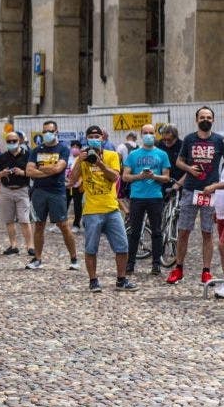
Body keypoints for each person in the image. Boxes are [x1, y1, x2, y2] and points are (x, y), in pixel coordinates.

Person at [69, 125, 135, 292]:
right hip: (91, 211)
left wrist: (99, 163)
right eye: (91, 136)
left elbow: (114, 177)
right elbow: (72, 180)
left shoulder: (112, 155)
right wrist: (80, 162)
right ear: (86, 139)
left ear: (102, 138)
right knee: (91, 248)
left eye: (97, 136)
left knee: (122, 246)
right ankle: (93, 281)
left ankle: (121, 280)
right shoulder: (81, 159)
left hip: (112, 209)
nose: (94, 139)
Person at [168, 106, 224, 285]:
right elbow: (179, 161)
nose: (205, 120)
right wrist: (189, 169)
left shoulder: (219, 140)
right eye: (202, 117)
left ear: (213, 120)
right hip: (190, 190)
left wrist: (217, 183)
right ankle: (178, 268)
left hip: (210, 191)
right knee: (184, 231)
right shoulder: (190, 139)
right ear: (196, 119)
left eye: (208, 117)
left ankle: (206, 271)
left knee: (207, 232)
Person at [25, 120, 79, 271]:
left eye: (50, 131)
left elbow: (58, 168)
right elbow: (29, 171)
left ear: (56, 132)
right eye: (45, 131)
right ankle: (37, 258)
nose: (47, 134)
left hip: (57, 192)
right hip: (39, 193)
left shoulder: (62, 149)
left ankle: (74, 258)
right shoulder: (36, 151)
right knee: (39, 225)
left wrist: (40, 169)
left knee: (63, 225)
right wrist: (48, 170)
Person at [122, 124, 171, 275]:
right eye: (145, 133)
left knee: (157, 232)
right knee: (134, 232)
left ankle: (156, 264)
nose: (148, 135)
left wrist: (154, 176)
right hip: (137, 198)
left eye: (151, 133)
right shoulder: (133, 154)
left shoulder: (162, 154)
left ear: (155, 134)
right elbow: (125, 176)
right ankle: (130, 263)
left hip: (155, 198)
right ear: (141, 134)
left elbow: (166, 177)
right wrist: (140, 177)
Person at [0, 131, 34, 256]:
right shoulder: (2, 157)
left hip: (22, 190)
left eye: (14, 141)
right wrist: (3, 173)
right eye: (9, 141)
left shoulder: (28, 155)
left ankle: (30, 246)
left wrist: (22, 172)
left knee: (24, 219)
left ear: (19, 141)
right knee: (8, 220)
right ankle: (13, 245)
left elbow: (34, 172)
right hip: (6, 190)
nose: (12, 143)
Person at [156, 123, 184, 193]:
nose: (166, 142)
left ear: (175, 137)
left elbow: (189, 169)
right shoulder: (160, 145)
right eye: (164, 139)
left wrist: (179, 184)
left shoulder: (183, 146)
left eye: (169, 140)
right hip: (162, 183)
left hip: (179, 183)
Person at [65, 140, 85, 231]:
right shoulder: (67, 158)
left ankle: (76, 225)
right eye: (73, 147)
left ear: (80, 149)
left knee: (77, 205)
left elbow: (83, 173)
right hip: (67, 185)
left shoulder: (81, 159)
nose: (75, 149)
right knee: (64, 204)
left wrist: (80, 182)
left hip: (77, 185)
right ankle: (60, 223)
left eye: (77, 147)